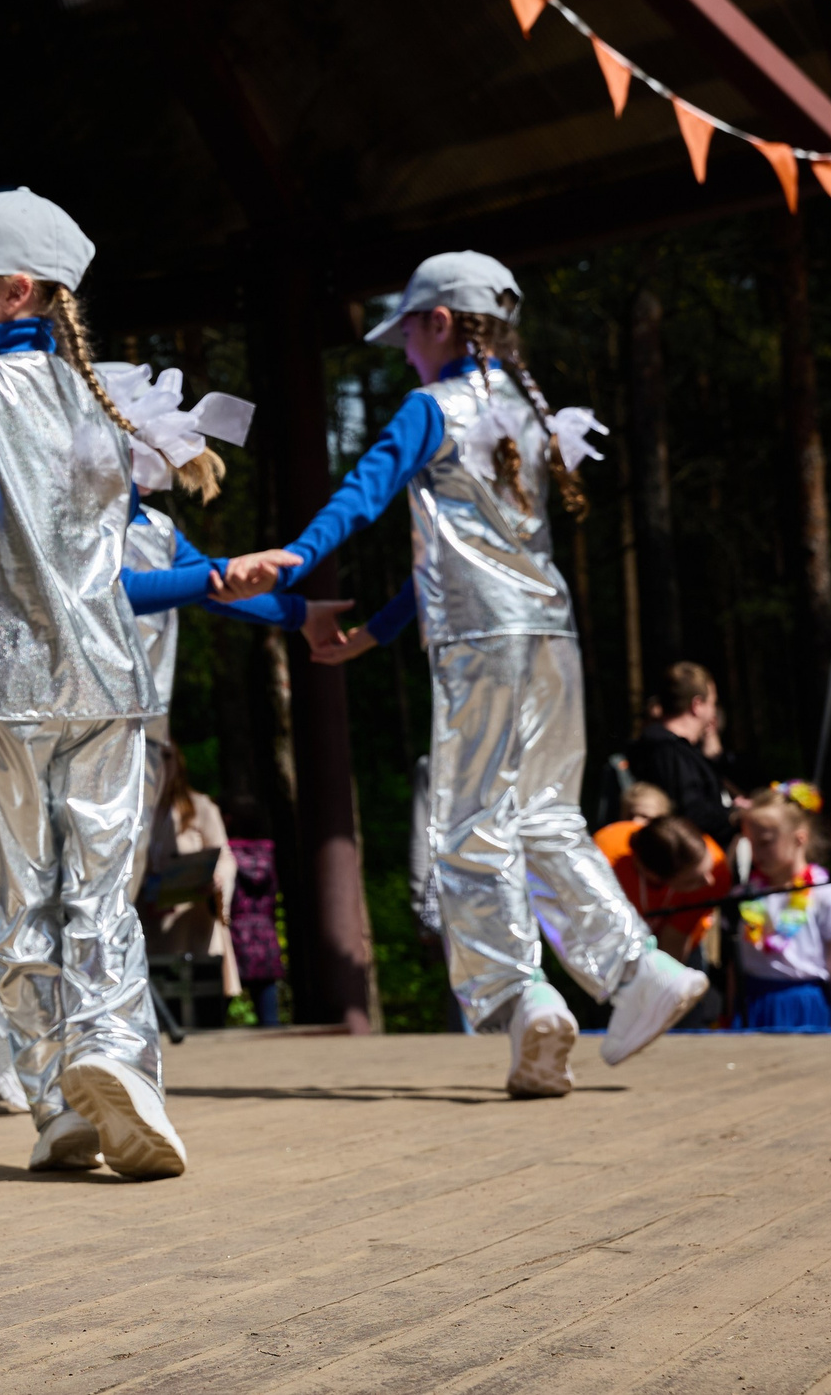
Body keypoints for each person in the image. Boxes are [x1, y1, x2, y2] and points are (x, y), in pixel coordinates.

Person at [0, 189, 265, 1182]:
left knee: (18, 898)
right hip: (109, 682)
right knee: (103, 893)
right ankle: (118, 1060)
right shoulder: (104, 406)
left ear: (16, 291)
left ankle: (54, 1095)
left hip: (1, 689)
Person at [224, 251, 706, 1097]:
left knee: (469, 827)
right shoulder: (529, 408)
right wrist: (373, 633)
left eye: (408, 328)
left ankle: (523, 999)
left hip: (481, 643)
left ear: (440, 322)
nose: (403, 346)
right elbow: (448, 556)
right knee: (547, 816)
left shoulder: (430, 407)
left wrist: (297, 556)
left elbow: (366, 491)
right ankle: (639, 971)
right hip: (550, 634)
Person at [733, 786, 831, 1030]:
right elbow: (736, 964)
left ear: (800, 838)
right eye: (751, 844)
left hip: (803, 1006)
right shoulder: (749, 895)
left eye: (765, 843)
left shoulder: (827, 895)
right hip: (754, 1002)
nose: (756, 853)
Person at [141, 746, 235, 1031]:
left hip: (192, 931)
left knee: (201, 1017)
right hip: (147, 930)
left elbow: (225, 858)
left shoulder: (200, 808)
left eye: (165, 756)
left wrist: (216, 878)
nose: (158, 764)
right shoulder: (129, 810)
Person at [593, 806, 730, 964]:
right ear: (652, 875)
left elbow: (674, 942)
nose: (709, 881)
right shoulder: (605, 866)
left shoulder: (717, 870)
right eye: (691, 881)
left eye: (709, 867)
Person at [623, 664, 735, 839]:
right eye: (712, 702)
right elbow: (692, 814)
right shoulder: (668, 752)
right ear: (697, 705)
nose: (713, 712)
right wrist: (734, 816)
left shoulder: (669, 749)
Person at [224, 811, 284, 1027]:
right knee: (269, 1013)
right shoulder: (269, 854)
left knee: (214, 1013)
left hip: (233, 933)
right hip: (264, 933)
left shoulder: (226, 854)